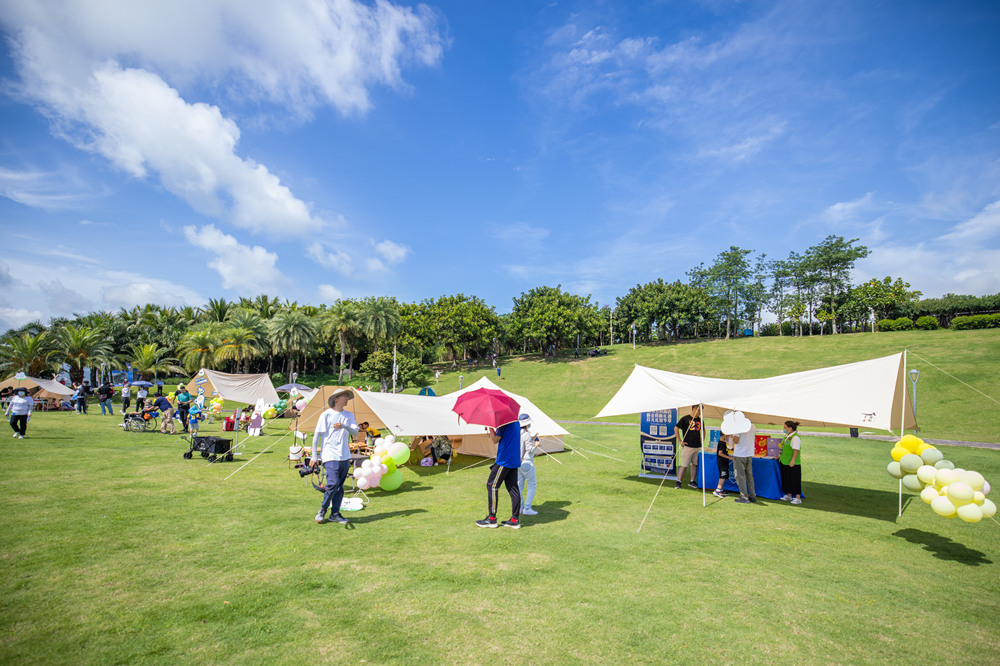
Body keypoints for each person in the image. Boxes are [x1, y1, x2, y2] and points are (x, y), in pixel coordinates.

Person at [311, 388, 359, 525]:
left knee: (339, 487)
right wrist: (314, 456)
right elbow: (316, 436)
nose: (347, 398)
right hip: (330, 454)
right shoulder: (326, 415)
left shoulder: (349, 415)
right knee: (332, 484)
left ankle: (335, 514)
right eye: (344, 396)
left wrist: (344, 426)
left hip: (344, 455)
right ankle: (323, 509)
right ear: (336, 399)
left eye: (347, 396)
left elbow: (355, 432)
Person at [477, 419, 521, 529]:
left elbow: (495, 439)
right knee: (513, 488)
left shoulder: (504, 423)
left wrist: (490, 427)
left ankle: (491, 519)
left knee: (491, 485)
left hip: (504, 460)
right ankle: (515, 519)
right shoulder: (516, 422)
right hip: (513, 459)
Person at [517, 413, 542, 516]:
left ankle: (520, 507)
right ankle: (527, 507)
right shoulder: (526, 434)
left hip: (518, 462)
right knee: (532, 485)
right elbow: (529, 449)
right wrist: (536, 445)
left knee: (519, 486)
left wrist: (531, 439)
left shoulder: (517, 432)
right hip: (527, 462)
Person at [674, 405, 702, 490]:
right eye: (699, 410)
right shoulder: (685, 418)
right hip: (687, 446)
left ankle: (692, 481)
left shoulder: (700, 420)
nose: (700, 413)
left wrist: (702, 439)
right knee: (684, 465)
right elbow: (676, 428)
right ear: (694, 409)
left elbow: (703, 429)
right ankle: (679, 481)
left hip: (697, 446)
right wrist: (679, 440)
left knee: (695, 465)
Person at [732, 419, 757, 504]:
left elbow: (736, 440)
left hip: (740, 454)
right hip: (749, 453)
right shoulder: (753, 426)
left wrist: (732, 434)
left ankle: (744, 497)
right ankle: (752, 495)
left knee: (740, 476)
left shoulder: (738, 426)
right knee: (749, 475)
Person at [779, 420, 803, 504]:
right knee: (787, 479)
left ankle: (798, 497)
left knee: (795, 479)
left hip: (792, 463)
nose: (784, 429)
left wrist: (792, 460)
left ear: (790, 428)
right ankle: (789, 495)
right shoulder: (787, 436)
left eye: (785, 427)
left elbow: (795, 450)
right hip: (784, 461)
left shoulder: (795, 438)